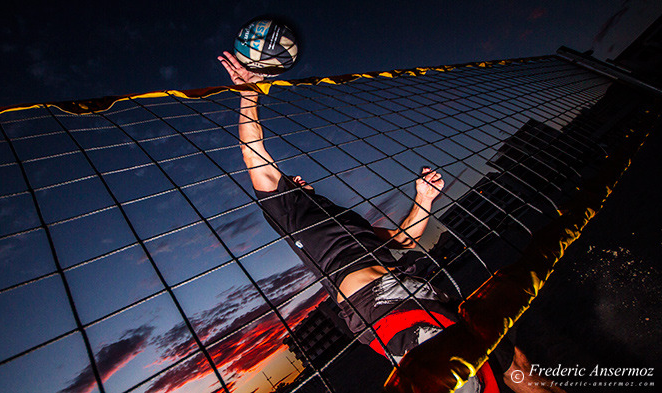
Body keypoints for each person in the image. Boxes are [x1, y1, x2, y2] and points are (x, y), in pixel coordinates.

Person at [218, 51, 565, 393]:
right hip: (379, 304)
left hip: (418, 288)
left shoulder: (341, 216)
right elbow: (254, 152)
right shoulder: (288, 210)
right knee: (457, 382)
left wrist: (423, 201)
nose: (295, 178)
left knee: (510, 361)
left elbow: (403, 240)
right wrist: (249, 93)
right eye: (287, 179)